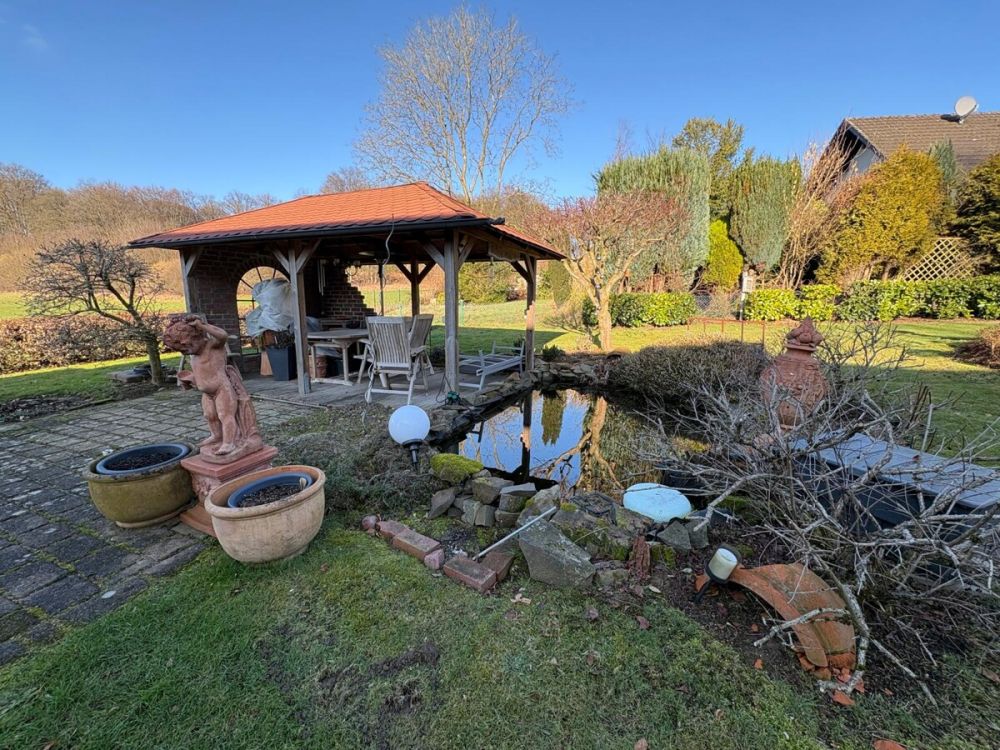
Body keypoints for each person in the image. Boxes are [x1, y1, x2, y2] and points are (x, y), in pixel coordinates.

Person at [163, 315, 261, 461]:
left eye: (186, 347)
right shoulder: (193, 355)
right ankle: (216, 436)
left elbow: (223, 335)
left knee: (225, 416)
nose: (185, 352)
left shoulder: (213, 345)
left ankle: (229, 443)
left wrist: (202, 325)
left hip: (222, 389)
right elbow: (201, 374)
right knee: (210, 416)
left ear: (196, 336)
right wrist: (189, 380)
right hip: (207, 394)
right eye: (182, 350)